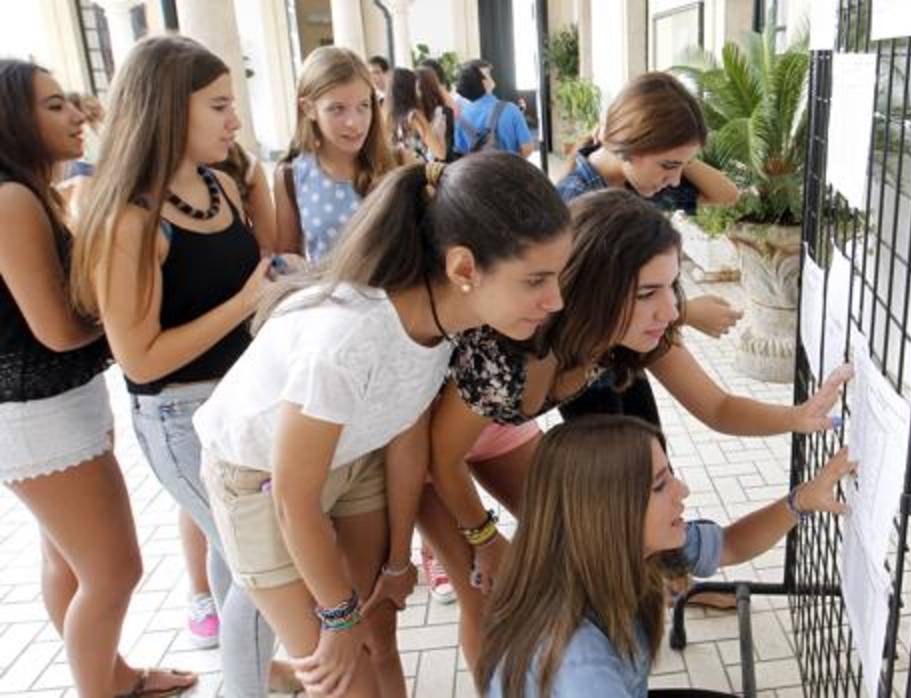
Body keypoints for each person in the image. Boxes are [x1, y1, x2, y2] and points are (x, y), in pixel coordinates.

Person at [421, 189, 853, 665]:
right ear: (590, 287)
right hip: (424, 449)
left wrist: (797, 416)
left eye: (672, 287)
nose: (670, 310)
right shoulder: (512, 344)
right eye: (648, 293)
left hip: (500, 428)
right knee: (483, 590)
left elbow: (718, 406)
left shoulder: (631, 330)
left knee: (603, 539)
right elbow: (441, 458)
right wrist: (485, 539)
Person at [194, 153, 571, 697]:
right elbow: (293, 500)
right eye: (536, 279)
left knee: (378, 639)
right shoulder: (347, 338)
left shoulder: (453, 319)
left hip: (357, 458)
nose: (555, 300)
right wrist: (337, 618)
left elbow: (405, 438)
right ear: (463, 268)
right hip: (259, 482)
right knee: (343, 674)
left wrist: (398, 561)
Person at [69, 36, 293, 696]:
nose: (235, 121)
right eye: (220, 105)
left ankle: (250, 675)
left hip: (240, 405)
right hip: (179, 417)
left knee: (239, 564)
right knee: (262, 565)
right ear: (168, 109)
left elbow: (254, 277)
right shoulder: (130, 220)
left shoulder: (221, 185)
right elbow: (138, 357)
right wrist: (247, 301)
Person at [0, 58, 196, 698]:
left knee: (70, 562)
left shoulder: (34, 189)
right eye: (54, 105)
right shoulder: (11, 198)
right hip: (38, 413)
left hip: (56, 405)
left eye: (71, 101)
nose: (79, 114)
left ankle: (116, 676)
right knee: (114, 572)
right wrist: (132, 323)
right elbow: (56, 330)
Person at [477, 416, 855, 696]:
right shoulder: (579, 663)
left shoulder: (621, 548)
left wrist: (802, 500)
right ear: (608, 510)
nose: (683, 490)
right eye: (660, 485)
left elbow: (730, 544)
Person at [556, 71, 744, 429]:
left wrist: (680, 154)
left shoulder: (641, 181)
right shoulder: (576, 202)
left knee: (650, 456)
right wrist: (684, 312)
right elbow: (584, 307)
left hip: (622, 356)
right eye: (669, 165)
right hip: (585, 369)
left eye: (681, 166)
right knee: (623, 471)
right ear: (630, 145)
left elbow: (727, 195)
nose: (675, 179)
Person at [275, 46, 396, 263]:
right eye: (337, 109)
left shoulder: (398, 162)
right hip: (328, 295)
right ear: (308, 108)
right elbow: (290, 259)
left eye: (363, 106)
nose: (354, 122)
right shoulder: (291, 175)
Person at [454, 59, 534, 157]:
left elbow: (461, 155)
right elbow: (527, 148)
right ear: (483, 83)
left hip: (476, 171)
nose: (491, 77)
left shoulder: (461, 118)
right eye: (488, 74)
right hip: (510, 170)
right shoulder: (510, 109)